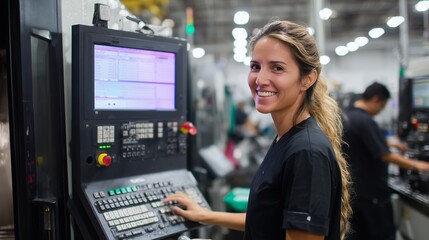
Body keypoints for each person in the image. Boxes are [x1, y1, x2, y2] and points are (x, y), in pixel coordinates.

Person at [164, 20, 352, 240]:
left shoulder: (306, 152)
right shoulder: (285, 139)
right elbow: (267, 221)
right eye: (255, 66)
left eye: (277, 68)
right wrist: (206, 216)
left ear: (307, 79)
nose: (260, 80)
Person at [342, 82, 429, 240]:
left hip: (356, 192)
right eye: (381, 106)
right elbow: (385, 155)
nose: (380, 110)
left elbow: (362, 142)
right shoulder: (365, 121)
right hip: (372, 196)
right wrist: (419, 165)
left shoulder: (349, 116)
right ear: (375, 99)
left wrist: (389, 142)